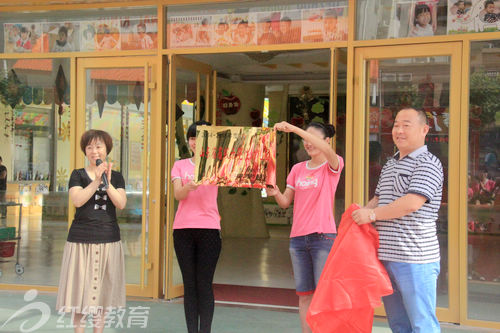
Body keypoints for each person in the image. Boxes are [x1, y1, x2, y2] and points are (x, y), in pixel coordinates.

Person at [352, 108, 444, 333]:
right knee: (398, 323)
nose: (399, 130)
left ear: (424, 130)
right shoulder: (391, 164)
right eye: (395, 125)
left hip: (416, 259)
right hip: (387, 258)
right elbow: (379, 198)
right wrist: (360, 214)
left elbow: (412, 202)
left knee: (422, 324)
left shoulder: (429, 163)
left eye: (406, 125)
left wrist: (371, 215)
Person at [267, 121, 344, 333]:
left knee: (323, 297)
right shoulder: (297, 169)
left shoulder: (333, 165)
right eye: (304, 140)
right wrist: (274, 192)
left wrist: (293, 129)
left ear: (326, 140)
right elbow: (285, 202)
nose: (307, 143)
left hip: (323, 238)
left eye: (312, 138)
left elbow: (329, 152)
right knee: (304, 296)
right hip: (298, 240)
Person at [56, 129, 127, 333]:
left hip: (108, 238)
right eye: (89, 147)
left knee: (103, 293)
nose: (94, 151)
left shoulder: (117, 177)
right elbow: (77, 200)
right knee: (80, 292)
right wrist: (96, 180)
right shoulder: (77, 175)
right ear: (84, 151)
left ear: (107, 149)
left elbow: (121, 203)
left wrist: (106, 181)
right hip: (81, 239)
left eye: (98, 146)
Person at [171, 120, 221, 333]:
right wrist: (189, 186)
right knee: (189, 285)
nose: (195, 142)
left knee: (204, 284)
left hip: (209, 228)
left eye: (201, 138)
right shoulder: (180, 165)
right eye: (192, 138)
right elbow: (177, 194)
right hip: (183, 230)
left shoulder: (218, 165)